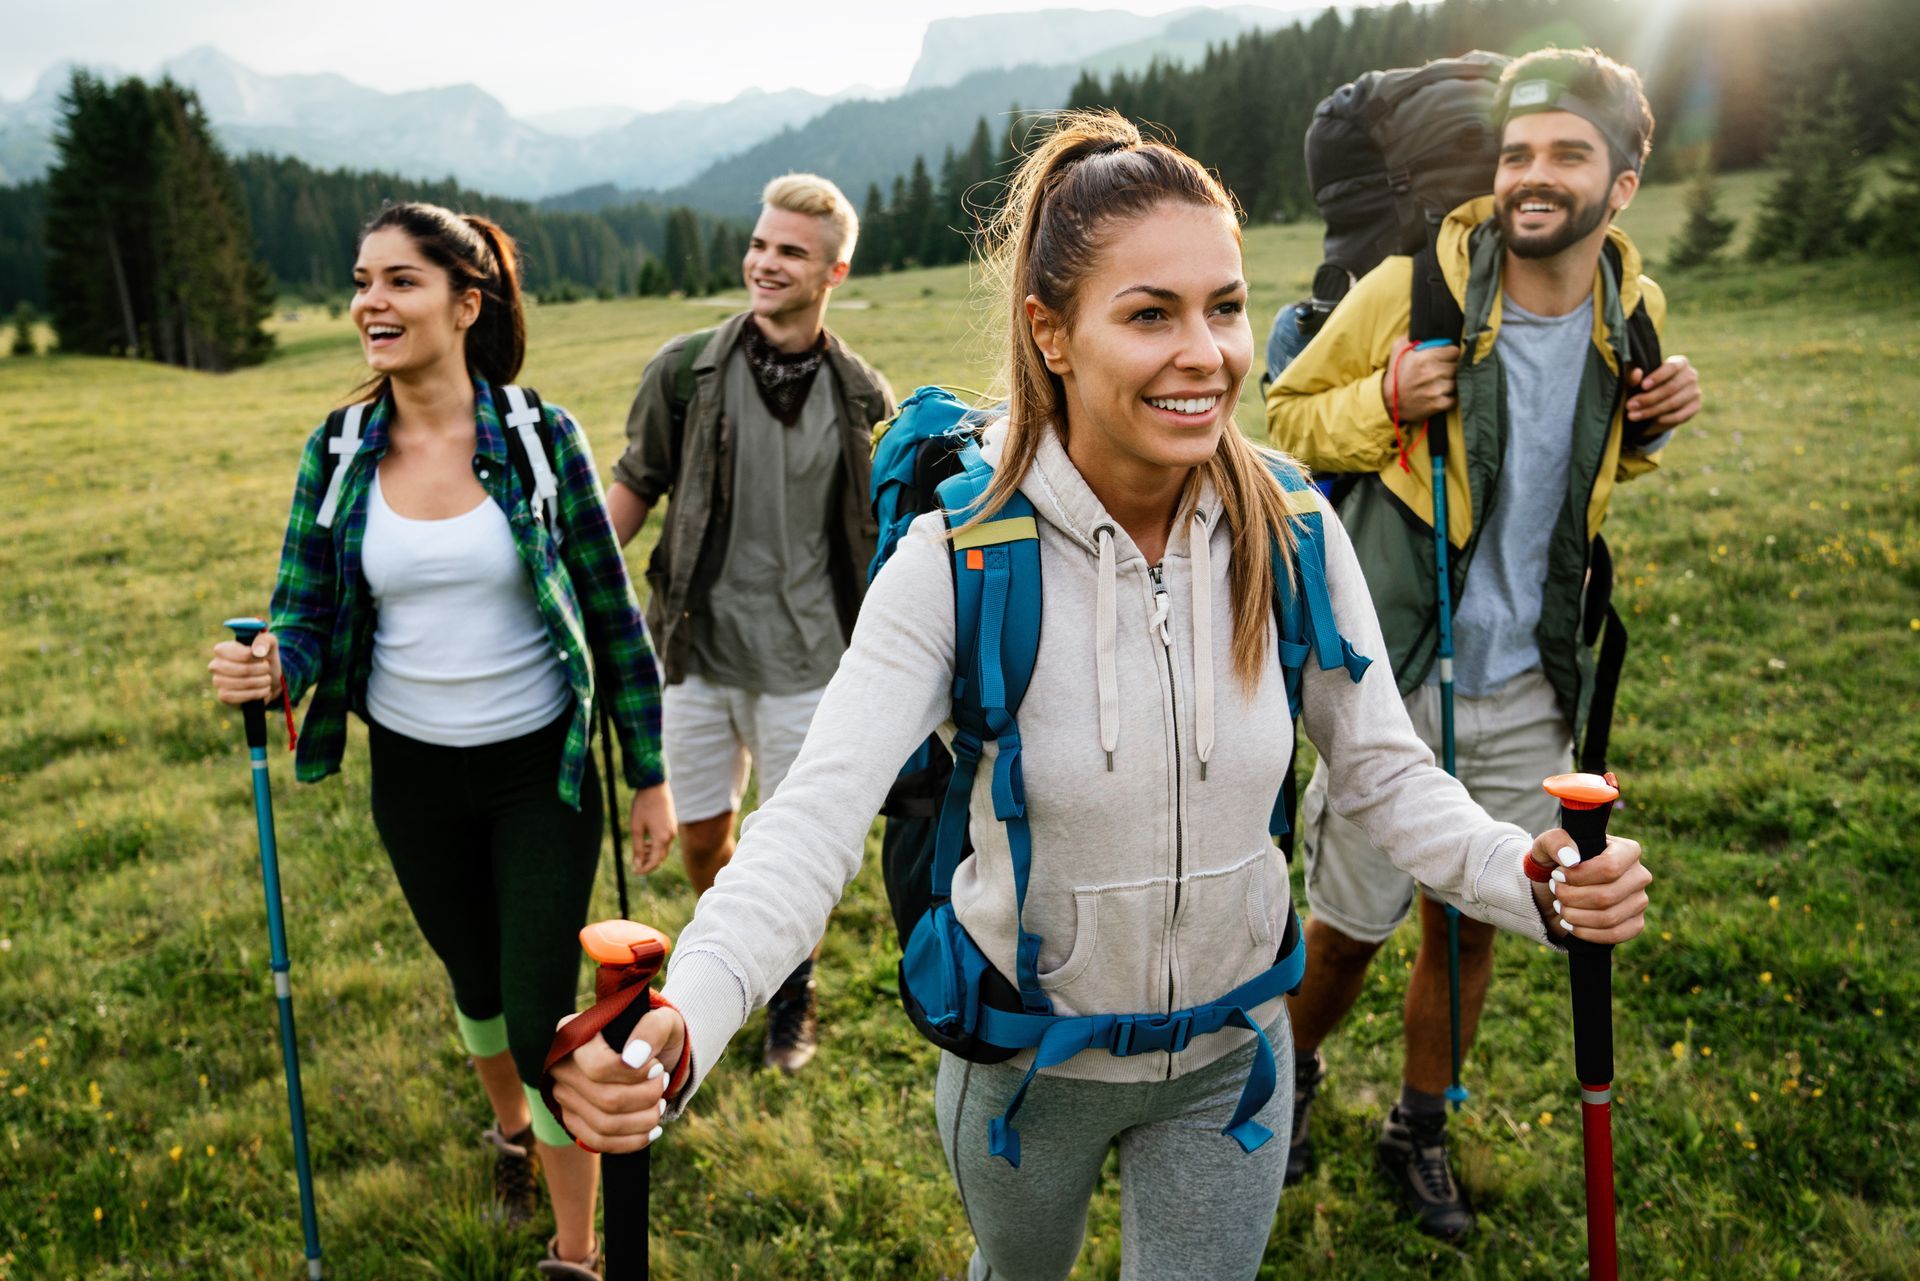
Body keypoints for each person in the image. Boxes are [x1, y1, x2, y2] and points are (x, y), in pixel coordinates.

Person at [546, 112, 1655, 1281]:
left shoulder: (1291, 529)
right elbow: (810, 826)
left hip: (1235, 1063)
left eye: (1224, 307)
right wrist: (689, 1020)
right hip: (1024, 1073)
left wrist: (1525, 876)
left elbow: (1380, 768)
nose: (1208, 354)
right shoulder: (957, 560)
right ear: (1052, 332)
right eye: (1149, 314)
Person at [1266, 47, 1701, 1239]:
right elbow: (1286, 422)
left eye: (1566, 154)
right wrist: (1385, 402)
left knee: (1466, 936)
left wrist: (1656, 422)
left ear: (1621, 183)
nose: (1532, 177)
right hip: (1395, 680)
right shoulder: (1416, 286)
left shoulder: (1634, 308)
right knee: (1349, 936)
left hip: (1528, 688)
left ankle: (1421, 1127)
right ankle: (1291, 1073)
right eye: (1517, 153)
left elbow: (1588, 471)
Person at [207, 202, 675, 1279]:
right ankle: (510, 1134)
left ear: (467, 304)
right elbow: (305, 614)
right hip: (412, 776)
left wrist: (647, 772)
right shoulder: (336, 451)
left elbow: (610, 608)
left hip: (538, 772)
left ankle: (575, 1252)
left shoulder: (536, 440)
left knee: (538, 1015)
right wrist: (270, 663)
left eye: (401, 281)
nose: (373, 300)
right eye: (363, 280)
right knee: (472, 978)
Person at [604, 174, 894, 1074]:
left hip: (811, 662)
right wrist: (577, 588)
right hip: (695, 653)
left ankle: (789, 989)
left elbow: (882, 532)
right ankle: (744, 953)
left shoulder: (860, 396)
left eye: (791, 252)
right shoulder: (684, 371)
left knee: (796, 853)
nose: (765, 263)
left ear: (834, 270)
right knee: (704, 841)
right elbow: (633, 489)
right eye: (760, 245)